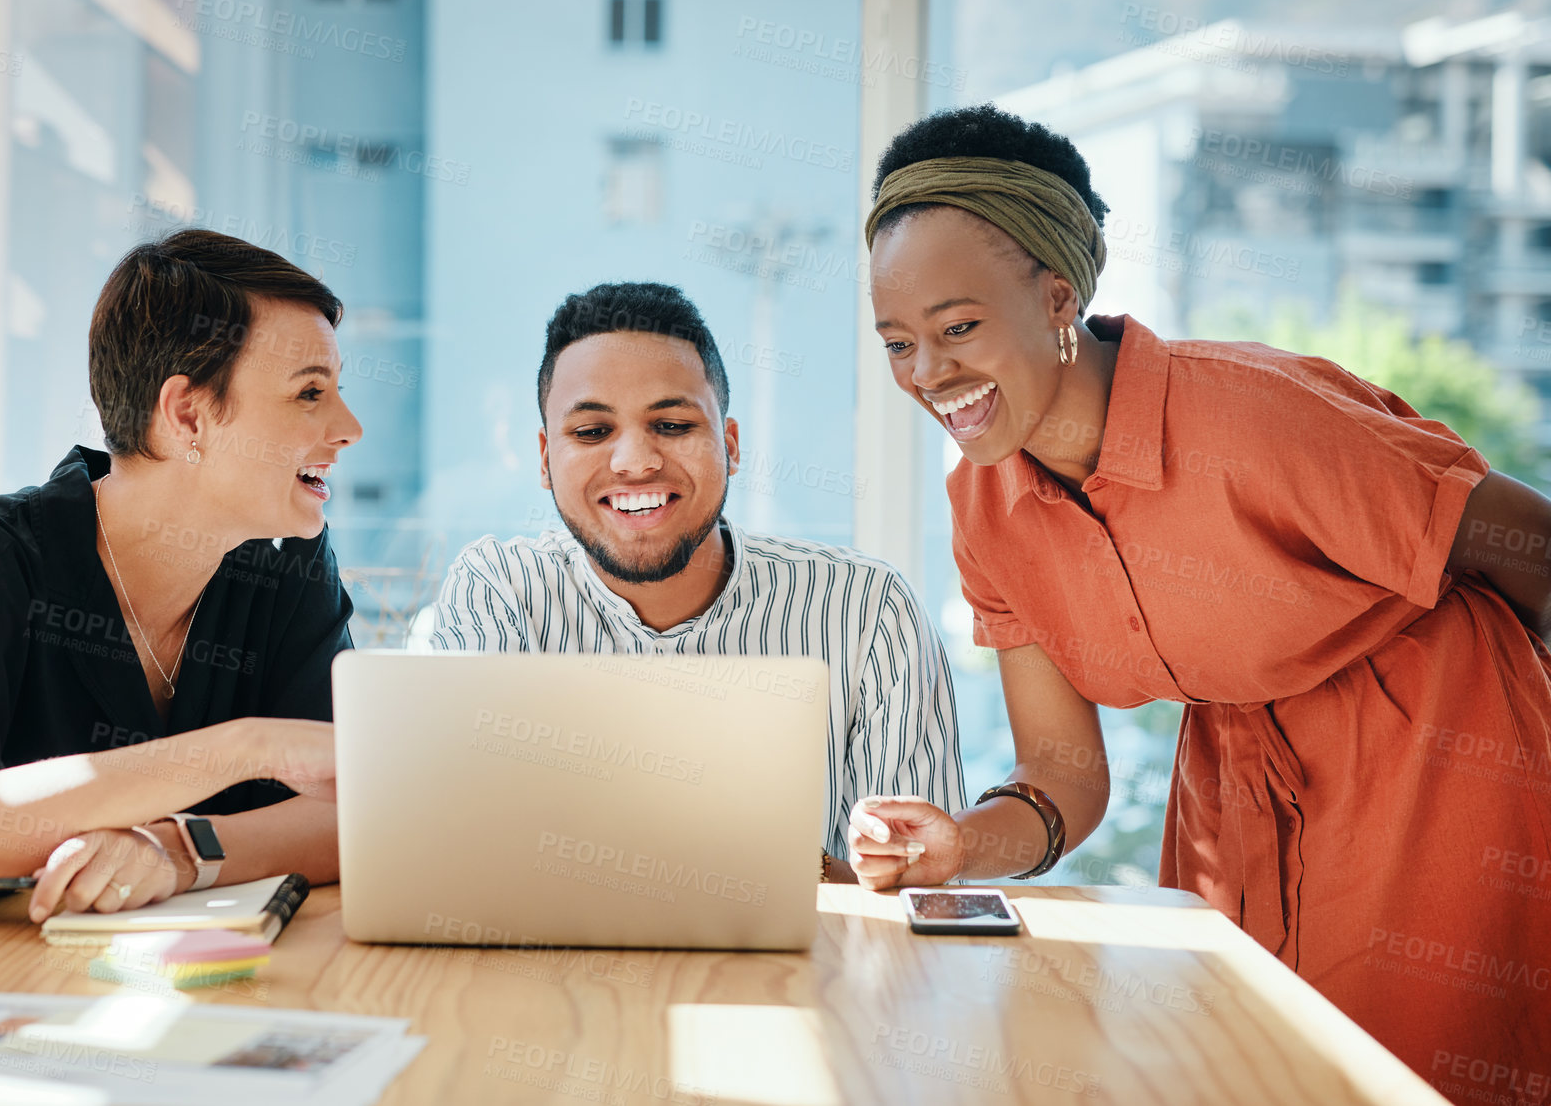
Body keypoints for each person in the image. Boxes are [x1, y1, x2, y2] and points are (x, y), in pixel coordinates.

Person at [842, 104, 1551, 1080]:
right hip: (1233, 796)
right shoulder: (985, 507)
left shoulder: (1255, 414)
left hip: (1440, 764)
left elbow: (1534, 547)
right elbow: (1066, 778)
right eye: (897, 342)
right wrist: (959, 842)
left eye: (957, 327)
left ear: (1057, 300)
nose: (929, 373)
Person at [0, 230, 362, 965]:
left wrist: (179, 850)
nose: (348, 428)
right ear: (187, 416)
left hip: (80, 989)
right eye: (310, 392)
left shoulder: (288, 567)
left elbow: (358, 810)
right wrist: (248, 748)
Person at [429, 281, 965, 878]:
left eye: (673, 425)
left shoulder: (868, 608)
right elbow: (469, 853)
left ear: (729, 445)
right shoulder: (497, 590)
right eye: (590, 432)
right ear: (544, 458)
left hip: (810, 970)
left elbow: (921, 885)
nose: (635, 461)